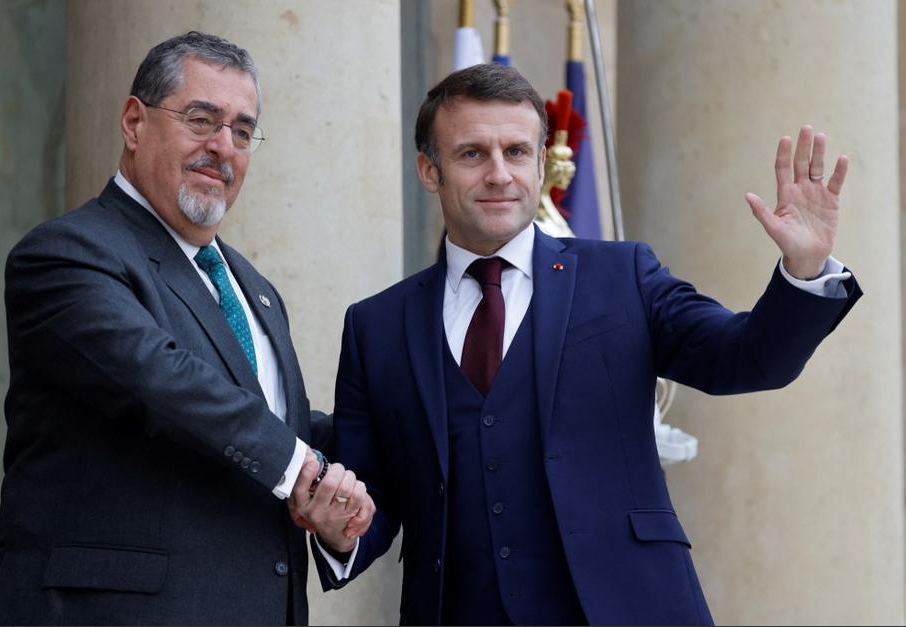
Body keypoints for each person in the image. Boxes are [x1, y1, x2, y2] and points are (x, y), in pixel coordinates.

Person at [305, 63, 862, 625]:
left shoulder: (624, 276)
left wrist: (805, 268)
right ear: (430, 170)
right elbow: (368, 497)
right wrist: (339, 529)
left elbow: (746, 359)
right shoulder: (376, 325)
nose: (500, 174)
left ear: (541, 161)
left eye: (517, 152)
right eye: (473, 154)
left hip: (630, 607)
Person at [0, 31, 372, 626]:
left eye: (242, 131)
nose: (223, 146)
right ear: (134, 123)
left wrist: (362, 473)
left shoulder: (254, 289)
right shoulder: (66, 255)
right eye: (201, 119)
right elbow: (164, 380)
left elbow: (274, 427)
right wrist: (307, 471)